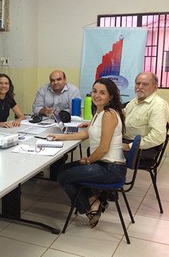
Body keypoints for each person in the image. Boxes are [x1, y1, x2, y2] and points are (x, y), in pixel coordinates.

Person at [49, 78, 126, 228]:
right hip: (103, 163)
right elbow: (86, 134)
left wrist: (88, 160)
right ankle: (93, 199)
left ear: (110, 97)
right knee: (63, 169)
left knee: (63, 176)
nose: (97, 95)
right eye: (94, 91)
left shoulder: (109, 114)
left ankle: (90, 205)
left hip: (112, 168)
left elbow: (103, 148)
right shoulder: (99, 111)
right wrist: (62, 136)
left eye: (102, 93)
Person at [122, 72, 169, 160]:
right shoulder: (134, 101)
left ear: (155, 87)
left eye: (145, 84)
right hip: (126, 140)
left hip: (144, 148)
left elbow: (158, 136)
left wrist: (129, 146)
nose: (140, 87)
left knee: (105, 154)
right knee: (97, 148)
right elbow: (120, 118)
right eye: (138, 83)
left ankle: (115, 173)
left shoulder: (158, 105)